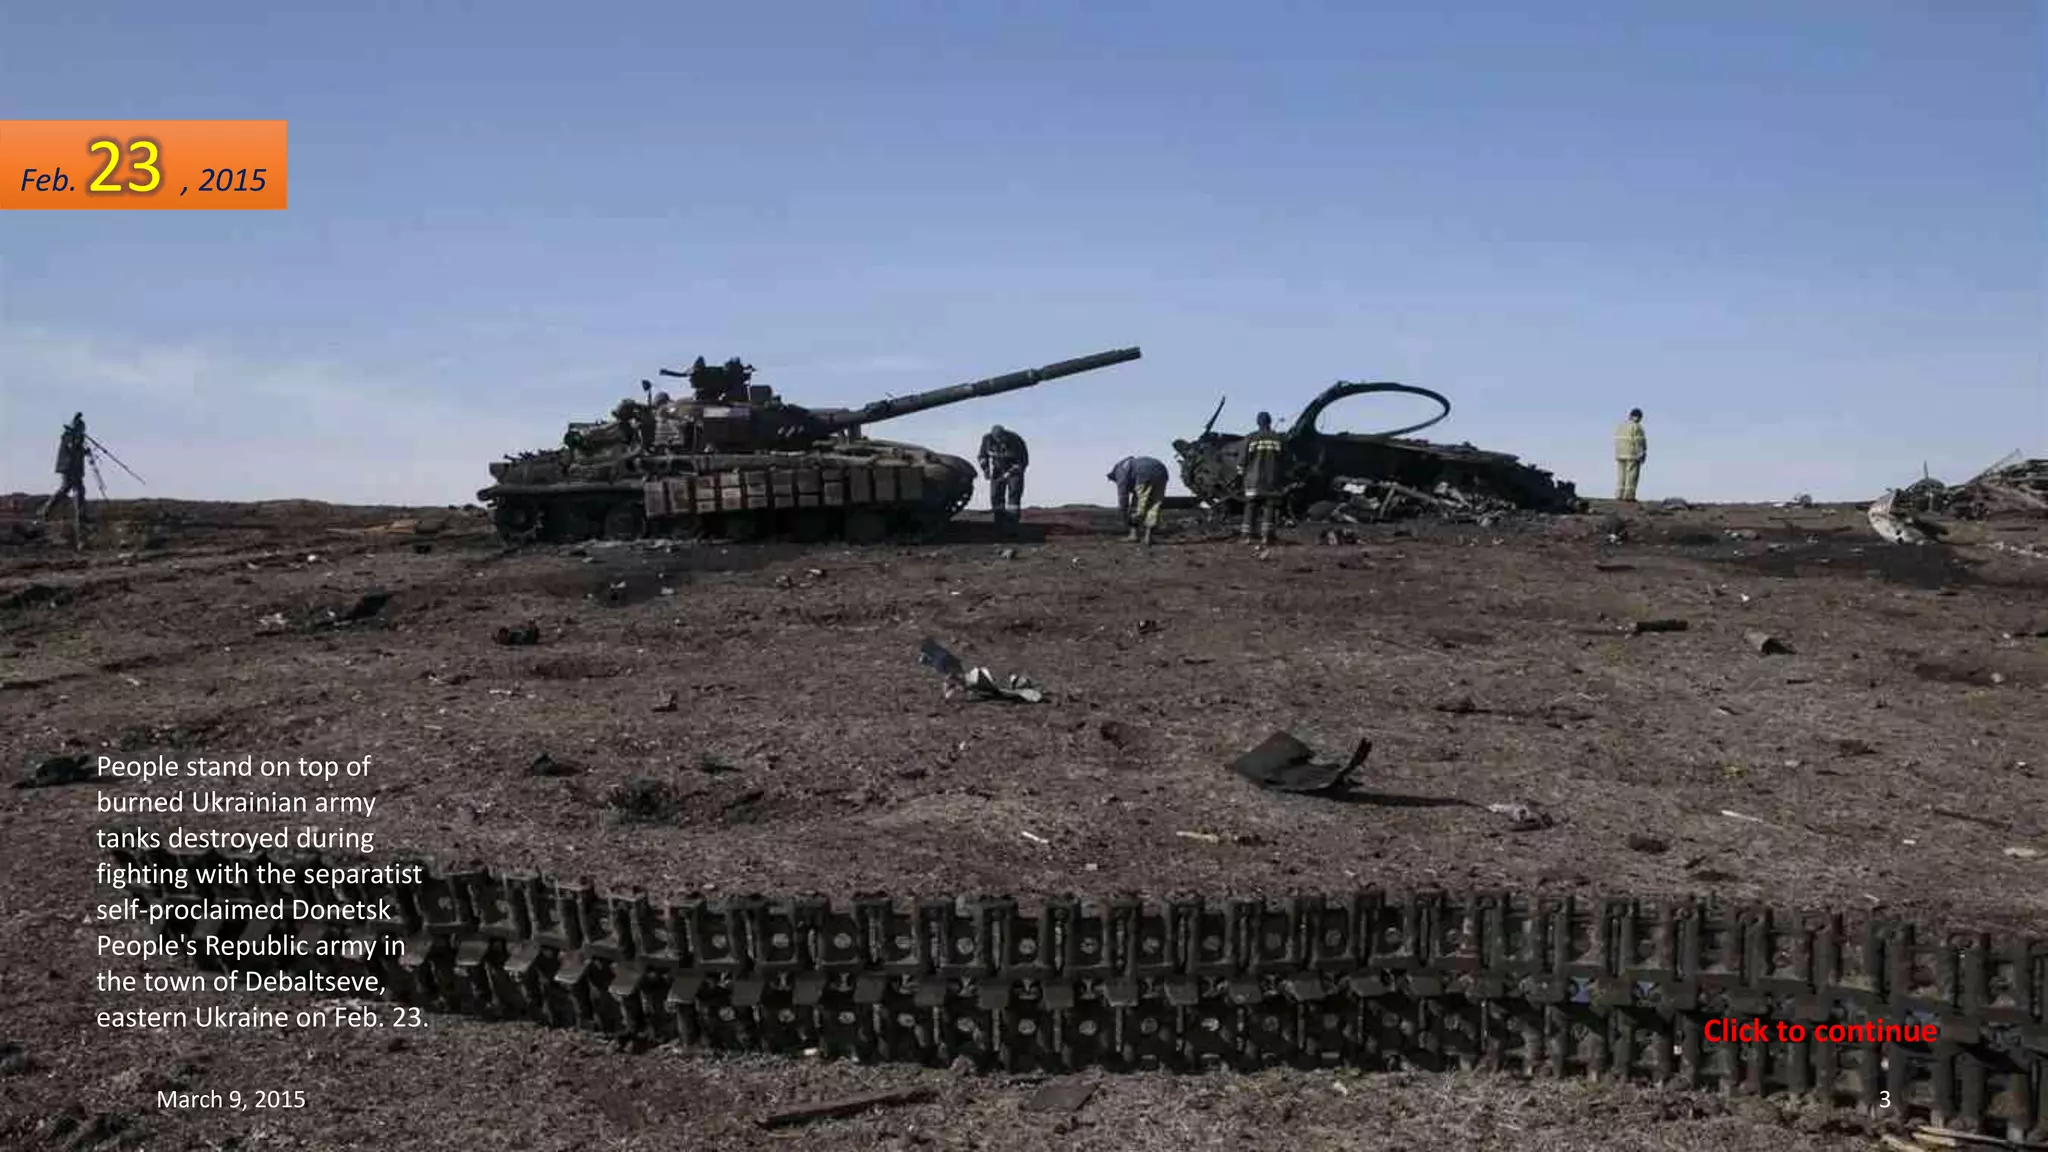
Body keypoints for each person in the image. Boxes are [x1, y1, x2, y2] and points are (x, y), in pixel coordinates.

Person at [40, 413, 91, 548]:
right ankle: (47, 510)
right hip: (69, 468)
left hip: (75, 469)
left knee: (75, 490)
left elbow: (77, 450)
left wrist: (85, 451)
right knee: (67, 489)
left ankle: (79, 514)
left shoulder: (75, 437)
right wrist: (81, 447)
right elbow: (72, 450)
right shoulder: (69, 437)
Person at [1240, 412, 1286, 544]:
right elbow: (1285, 459)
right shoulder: (1278, 438)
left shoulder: (1250, 438)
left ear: (1258, 422)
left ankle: (1247, 537)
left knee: (1251, 505)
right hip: (1272, 479)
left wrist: (1241, 472)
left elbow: (1243, 460)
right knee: (1270, 506)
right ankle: (1267, 536)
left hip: (1253, 480)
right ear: (1270, 422)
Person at [978, 424, 1029, 533]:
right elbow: (982, 456)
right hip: (997, 470)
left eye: (1001, 438)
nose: (999, 441)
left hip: (1014, 470)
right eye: (997, 438)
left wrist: (1009, 473)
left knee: (1013, 497)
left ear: (1005, 435)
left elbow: (1022, 461)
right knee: (996, 496)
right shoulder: (987, 439)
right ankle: (999, 524)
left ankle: (1012, 525)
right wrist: (985, 469)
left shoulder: (1015, 440)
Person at [1107, 455, 1168, 545]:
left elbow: (1123, 495)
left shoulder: (1120, 471)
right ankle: (1148, 537)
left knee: (1137, 507)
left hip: (1144, 475)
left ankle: (1133, 535)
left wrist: (1124, 513)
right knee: (1154, 506)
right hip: (1161, 472)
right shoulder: (1131, 464)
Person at [1614, 408, 1647, 503]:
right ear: (1637, 417)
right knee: (1632, 475)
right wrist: (1641, 454)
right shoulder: (1637, 427)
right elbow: (1639, 442)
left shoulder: (1621, 426)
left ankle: (1619, 494)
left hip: (1620, 454)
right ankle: (1629, 496)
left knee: (1621, 475)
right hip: (1632, 454)